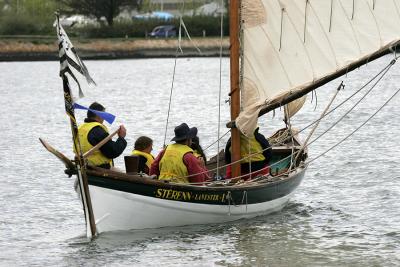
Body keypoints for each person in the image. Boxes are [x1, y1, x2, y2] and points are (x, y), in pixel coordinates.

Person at [74, 102, 127, 169]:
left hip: (84, 167)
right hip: (99, 169)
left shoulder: (79, 129)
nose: (104, 118)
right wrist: (121, 138)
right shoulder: (97, 130)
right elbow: (112, 152)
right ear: (98, 115)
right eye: (103, 114)